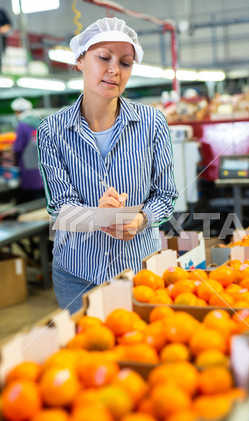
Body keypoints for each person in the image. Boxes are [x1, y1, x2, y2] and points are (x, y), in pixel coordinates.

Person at [37, 17, 178, 314]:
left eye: (125, 63)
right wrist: (99, 216)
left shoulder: (152, 123)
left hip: (139, 271)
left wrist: (139, 220)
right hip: (77, 275)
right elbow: (60, 210)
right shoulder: (52, 131)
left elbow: (166, 196)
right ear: (80, 61)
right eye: (103, 57)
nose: (114, 70)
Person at [11, 98, 44, 203]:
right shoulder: (38, 121)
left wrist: (13, 160)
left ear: (17, 111)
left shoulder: (22, 125)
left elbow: (18, 147)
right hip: (41, 161)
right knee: (42, 191)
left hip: (28, 164)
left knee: (33, 193)